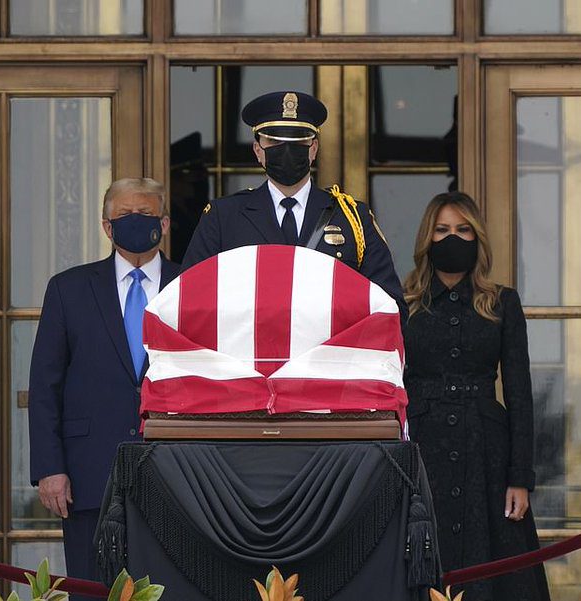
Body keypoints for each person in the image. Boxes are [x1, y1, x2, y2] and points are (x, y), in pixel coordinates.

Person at [28, 177, 181, 596]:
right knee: (92, 590)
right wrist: (49, 468)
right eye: (125, 215)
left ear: (165, 224)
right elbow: (45, 385)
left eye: (147, 215)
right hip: (87, 474)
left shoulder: (193, 286)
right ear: (106, 227)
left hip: (177, 473)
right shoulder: (68, 289)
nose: (137, 222)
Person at [402, 192, 550, 601]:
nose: (454, 238)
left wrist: (520, 477)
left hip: (487, 452)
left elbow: (519, 392)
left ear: (477, 237)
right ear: (427, 239)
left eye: (463, 230)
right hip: (422, 447)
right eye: (443, 230)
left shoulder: (503, 302)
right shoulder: (404, 304)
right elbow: (388, 385)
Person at [181, 90, 405, 316]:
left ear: (314, 148)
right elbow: (189, 301)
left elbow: (388, 305)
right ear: (258, 151)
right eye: (274, 141)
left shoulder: (352, 218)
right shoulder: (223, 217)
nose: (287, 149)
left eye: (298, 140)